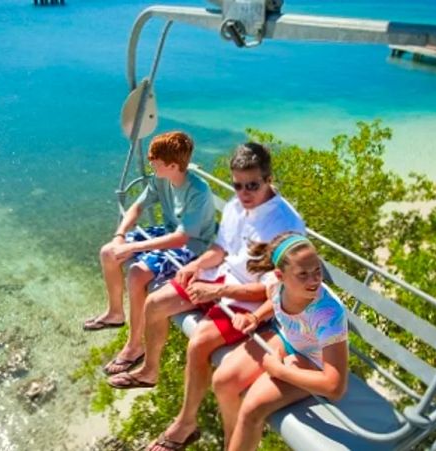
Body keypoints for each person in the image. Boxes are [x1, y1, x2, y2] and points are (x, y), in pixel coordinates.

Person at [106, 143, 306, 450]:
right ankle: (149, 371)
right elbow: (220, 250)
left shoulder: (284, 225)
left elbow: (277, 293)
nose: (243, 193)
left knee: (198, 343)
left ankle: (186, 424)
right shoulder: (236, 206)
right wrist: (196, 266)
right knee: (155, 304)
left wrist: (217, 291)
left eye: (252, 185)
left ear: (269, 178)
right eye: (238, 185)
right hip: (221, 277)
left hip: (248, 299)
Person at [83, 131, 216, 377]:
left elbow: (182, 238)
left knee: (136, 273)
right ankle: (115, 313)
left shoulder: (198, 191)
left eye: (155, 161)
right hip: (168, 233)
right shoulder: (161, 179)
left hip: (192, 247)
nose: (151, 163)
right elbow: (137, 206)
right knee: (108, 252)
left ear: (173, 165)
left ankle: (135, 347)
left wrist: (132, 248)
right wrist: (120, 236)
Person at [212, 232, 349, 451]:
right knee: (222, 381)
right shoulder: (276, 285)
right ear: (280, 275)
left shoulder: (328, 313)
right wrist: (255, 317)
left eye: (317, 271)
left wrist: (280, 371)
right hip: (286, 339)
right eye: (302, 274)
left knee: (252, 407)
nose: (314, 280)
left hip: (313, 361)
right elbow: (274, 301)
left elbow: (335, 386)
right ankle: (234, 443)